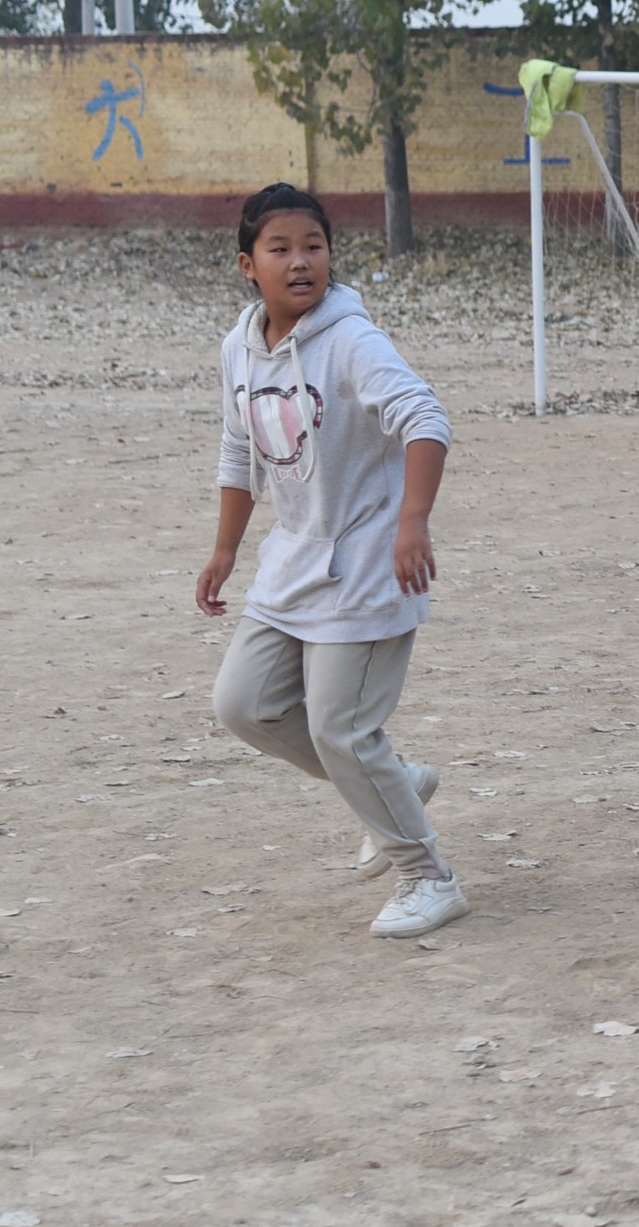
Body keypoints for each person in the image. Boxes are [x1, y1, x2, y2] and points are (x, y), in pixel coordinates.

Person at [196, 183, 467, 940]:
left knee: (341, 730)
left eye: (313, 246)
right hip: (293, 565)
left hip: (370, 567)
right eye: (280, 249)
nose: (300, 261)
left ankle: (428, 877)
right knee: (244, 705)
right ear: (247, 264)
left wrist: (411, 522)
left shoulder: (351, 340)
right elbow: (238, 450)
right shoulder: (238, 348)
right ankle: (396, 783)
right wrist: (225, 550)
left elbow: (426, 418)